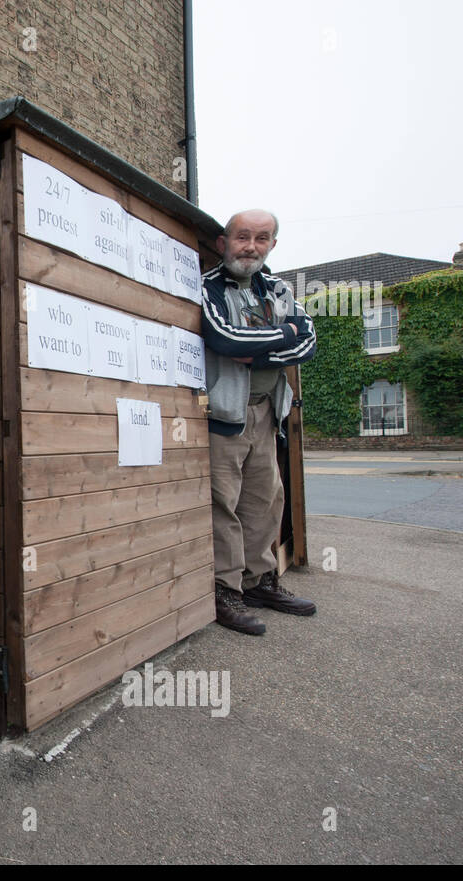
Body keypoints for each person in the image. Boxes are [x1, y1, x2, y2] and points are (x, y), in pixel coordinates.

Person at [200, 209, 317, 635]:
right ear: (223, 243)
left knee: (266, 500)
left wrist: (267, 347)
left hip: (268, 412)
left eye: (262, 238)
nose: (251, 246)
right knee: (222, 504)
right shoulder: (208, 287)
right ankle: (225, 591)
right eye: (242, 236)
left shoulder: (280, 289)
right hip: (226, 414)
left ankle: (259, 581)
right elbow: (225, 340)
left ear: (272, 245)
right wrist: (281, 337)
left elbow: (307, 340)